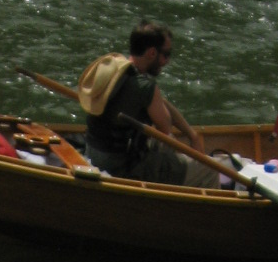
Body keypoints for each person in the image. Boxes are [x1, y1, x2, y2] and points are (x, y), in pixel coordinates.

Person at [78, 22, 220, 187]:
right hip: (123, 169)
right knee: (210, 169)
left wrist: (192, 135)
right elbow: (166, 128)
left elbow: (157, 103)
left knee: (164, 146)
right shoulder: (145, 87)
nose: (166, 61)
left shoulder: (117, 74)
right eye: (166, 54)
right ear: (152, 53)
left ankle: (181, 175)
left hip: (94, 155)